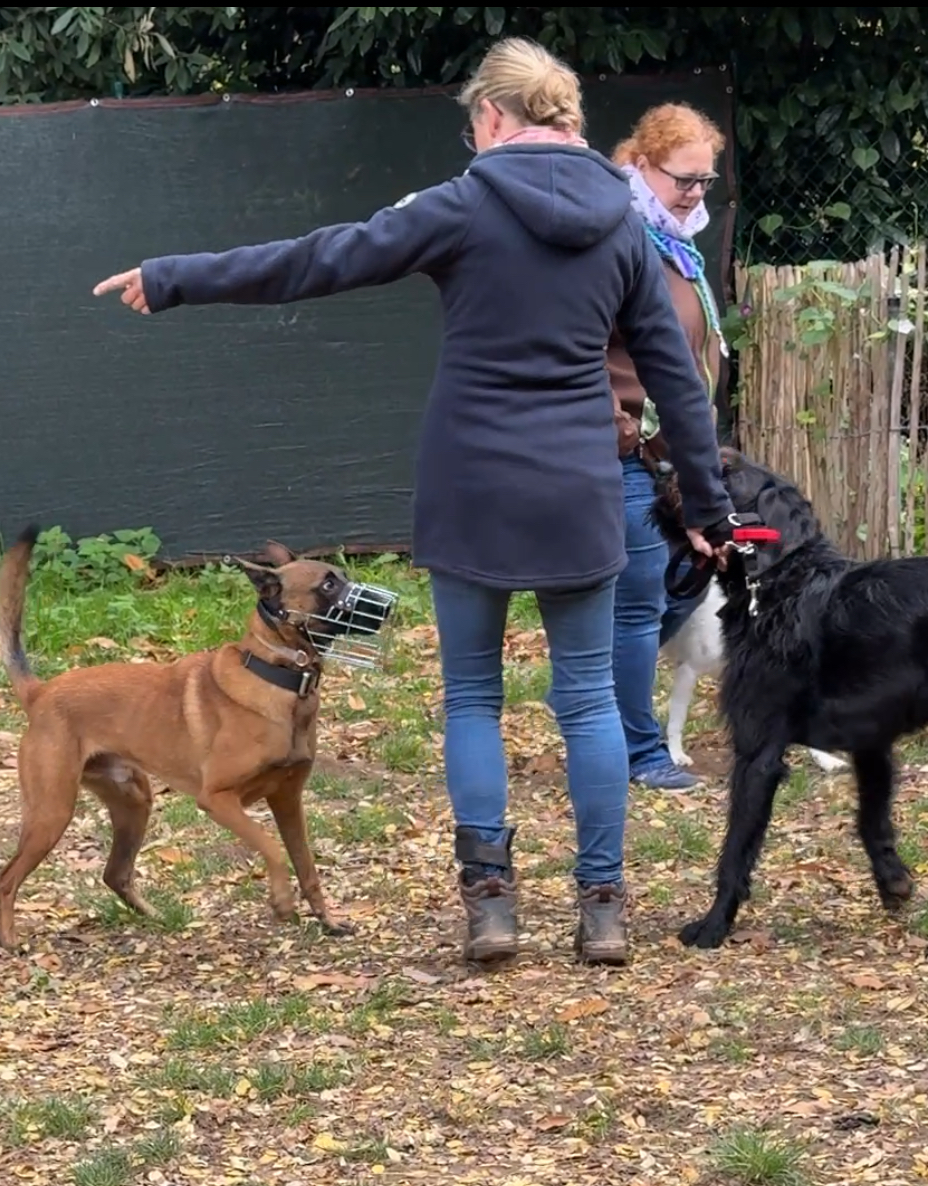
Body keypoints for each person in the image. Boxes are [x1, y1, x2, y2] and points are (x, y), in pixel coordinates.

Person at [94, 37, 734, 968]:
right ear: (567, 122)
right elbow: (676, 379)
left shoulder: (462, 205)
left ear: (489, 120)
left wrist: (179, 275)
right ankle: (602, 910)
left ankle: (492, 907)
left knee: (472, 695)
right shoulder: (625, 226)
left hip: (470, 483)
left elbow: (320, 260)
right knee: (592, 700)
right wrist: (709, 506)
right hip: (579, 489)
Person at [608, 104, 727, 792]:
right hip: (627, 453)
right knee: (641, 601)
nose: (695, 195)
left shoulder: (674, 241)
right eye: (684, 180)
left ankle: (586, 696)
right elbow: (577, 338)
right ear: (640, 163)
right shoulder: (617, 236)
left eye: (706, 182)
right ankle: (638, 748)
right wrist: (619, 422)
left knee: (684, 581)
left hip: (676, 453)